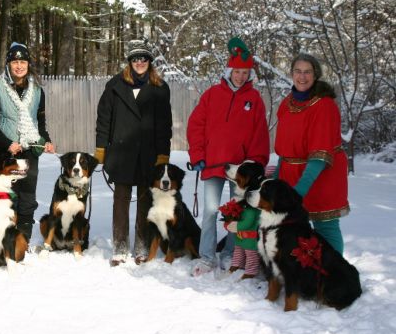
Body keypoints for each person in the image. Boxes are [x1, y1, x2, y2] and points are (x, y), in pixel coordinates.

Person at [186, 37, 269, 276]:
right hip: (212, 164)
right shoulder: (212, 94)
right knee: (211, 210)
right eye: (237, 71)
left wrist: (256, 163)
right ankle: (207, 256)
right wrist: (198, 154)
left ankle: (232, 253)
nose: (240, 76)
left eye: (245, 72)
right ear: (229, 70)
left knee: (237, 212)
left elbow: (259, 134)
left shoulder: (254, 100)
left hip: (240, 170)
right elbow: (196, 125)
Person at [95, 39, 172, 266]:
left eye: (144, 59)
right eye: (136, 59)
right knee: (121, 200)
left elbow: (164, 125)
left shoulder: (160, 88)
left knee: (145, 201)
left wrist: (163, 154)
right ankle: (119, 248)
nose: (140, 63)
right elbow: (103, 120)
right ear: (129, 62)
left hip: (148, 153)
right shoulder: (114, 86)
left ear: (150, 62)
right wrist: (101, 149)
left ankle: (141, 247)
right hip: (121, 152)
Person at [274, 53, 349, 254]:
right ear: (291, 74)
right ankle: (304, 272)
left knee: (325, 227)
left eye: (307, 72)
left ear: (315, 75)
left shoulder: (324, 106)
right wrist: (276, 178)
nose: (302, 76)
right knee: (293, 228)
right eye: (298, 71)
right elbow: (285, 151)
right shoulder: (286, 104)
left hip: (322, 174)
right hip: (291, 175)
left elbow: (319, 155)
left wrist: (299, 191)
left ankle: (334, 276)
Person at [0, 42, 55, 241]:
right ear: (9, 64)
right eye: (15, 62)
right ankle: (5, 238)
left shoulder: (37, 91)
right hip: (7, 151)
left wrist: (47, 141)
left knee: (28, 196)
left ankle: (22, 240)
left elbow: (40, 123)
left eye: (23, 61)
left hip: (29, 150)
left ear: (28, 64)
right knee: (9, 196)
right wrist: (7, 143)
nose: (19, 66)